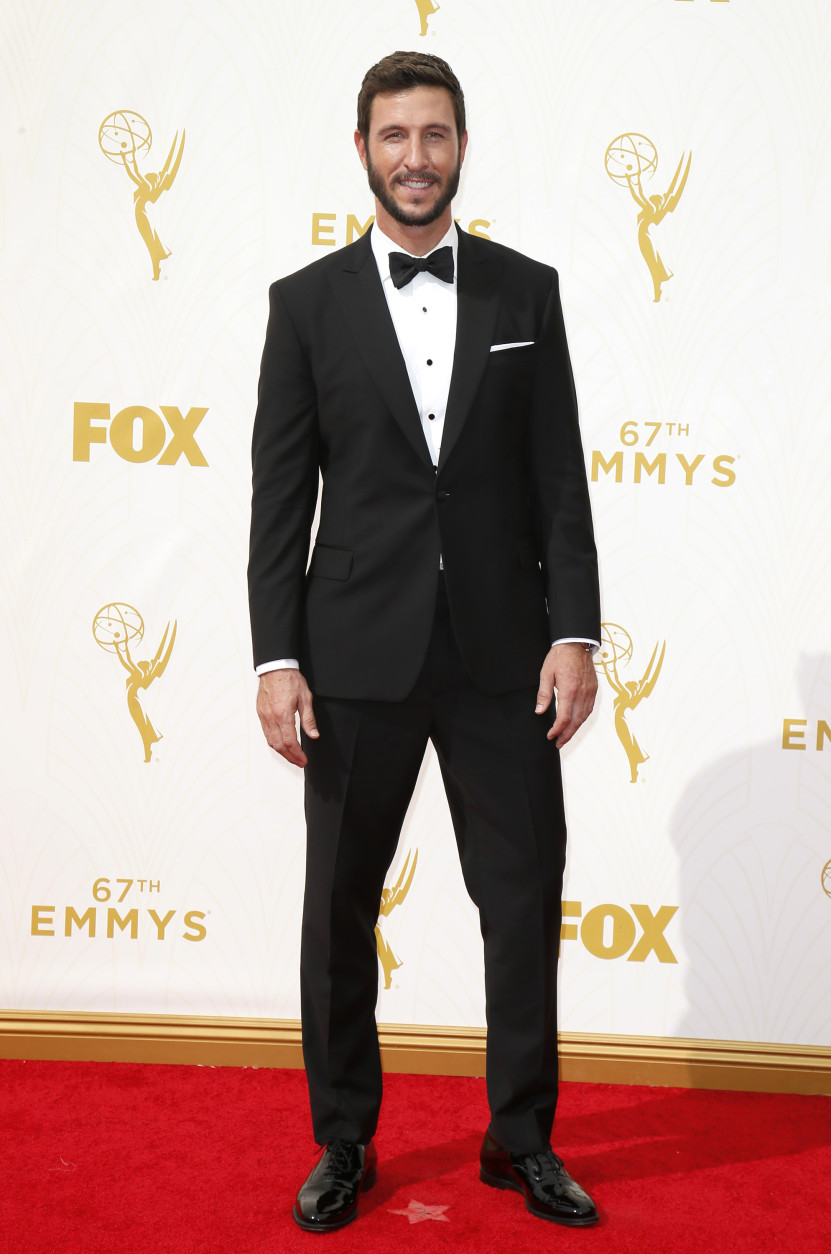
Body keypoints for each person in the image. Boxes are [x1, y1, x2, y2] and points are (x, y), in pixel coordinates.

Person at [248, 50, 601, 1233]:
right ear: (363, 151)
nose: (415, 157)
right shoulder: (304, 306)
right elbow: (278, 497)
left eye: (435, 134)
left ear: (462, 145)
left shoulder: (524, 293)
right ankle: (344, 1139)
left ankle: (522, 1140)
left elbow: (560, 478)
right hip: (352, 654)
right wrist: (274, 656)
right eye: (394, 135)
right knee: (339, 905)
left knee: (522, 896)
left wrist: (576, 633)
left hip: (507, 654)